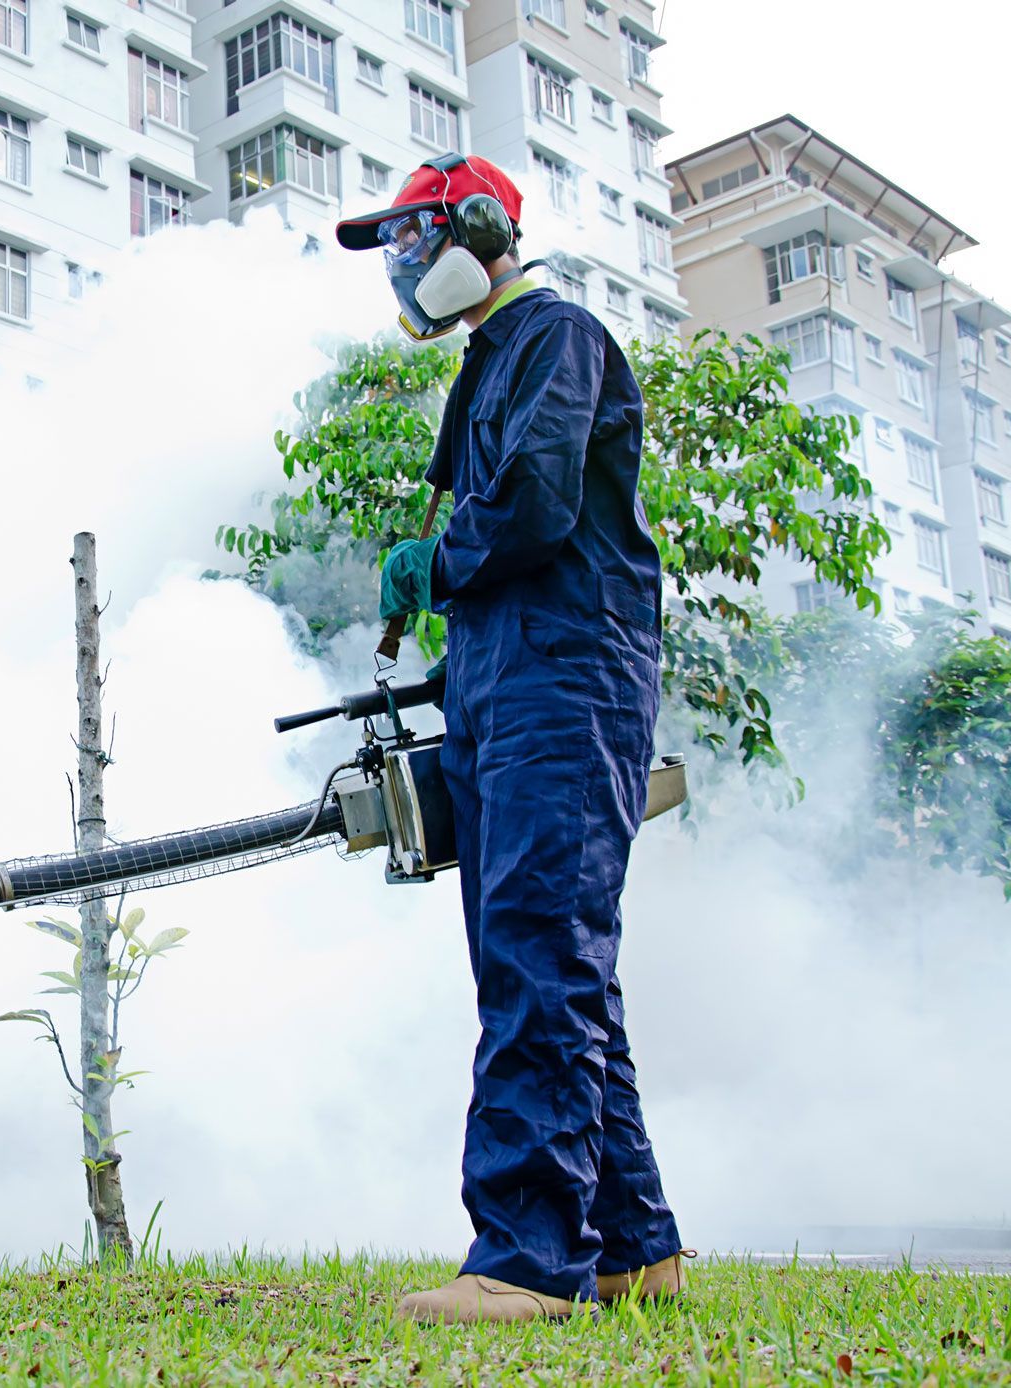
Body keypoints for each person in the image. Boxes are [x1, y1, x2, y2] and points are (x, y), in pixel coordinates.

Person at [334, 154, 687, 1323]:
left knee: (542, 951)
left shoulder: (557, 335)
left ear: (476, 231)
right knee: (547, 958)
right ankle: (632, 1247)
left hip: (566, 678)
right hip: (505, 681)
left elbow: (535, 508)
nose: (396, 265)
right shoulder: (489, 363)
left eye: (407, 239)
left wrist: (435, 561)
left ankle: (529, 1258)